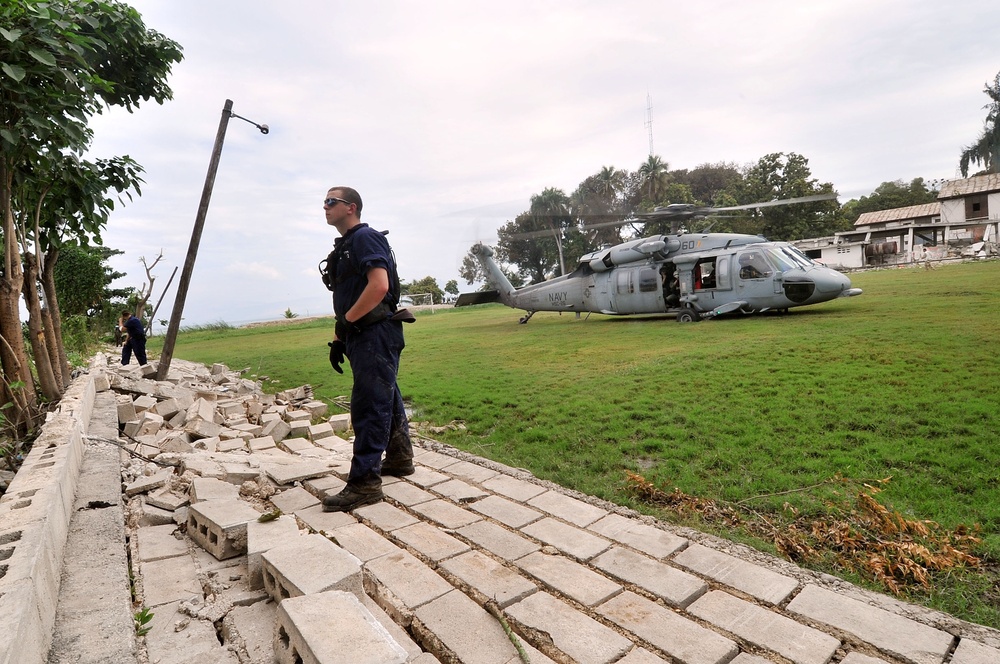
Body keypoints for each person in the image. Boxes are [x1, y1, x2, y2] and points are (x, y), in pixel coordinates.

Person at [320, 186, 414, 512]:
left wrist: (347, 322)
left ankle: (365, 483)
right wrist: (339, 337)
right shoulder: (346, 245)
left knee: (369, 406)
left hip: (376, 332)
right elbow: (347, 298)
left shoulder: (365, 238)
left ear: (351, 207)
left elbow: (380, 286)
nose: (325, 206)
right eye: (324, 202)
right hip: (362, 333)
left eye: (332, 201)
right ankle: (400, 457)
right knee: (384, 395)